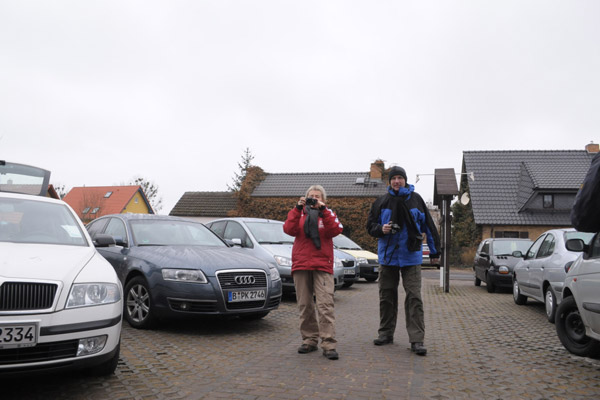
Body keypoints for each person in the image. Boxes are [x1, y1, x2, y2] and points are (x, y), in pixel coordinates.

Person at [366, 166, 440, 356]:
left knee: (414, 297)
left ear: (405, 180)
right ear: (389, 181)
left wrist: (434, 252)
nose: (397, 181)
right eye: (393, 178)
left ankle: (417, 340)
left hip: (411, 255)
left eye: (400, 178)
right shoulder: (381, 202)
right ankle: (385, 334)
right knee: (386, 296)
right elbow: (370, 226)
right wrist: (380, 229)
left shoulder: (416, 200)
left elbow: (429, 227)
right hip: (388, 256)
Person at [283, 184, 343, 360]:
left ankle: (328, 343)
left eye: (318, 196)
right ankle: (309, 340)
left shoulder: (328, 214)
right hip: (301, 264)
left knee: (325, 305)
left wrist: (324, 210)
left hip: (322, 265)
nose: (314, 198)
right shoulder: (299, 213)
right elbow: (288, 229)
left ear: (323, 199)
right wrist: (296, 208)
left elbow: (337, 230)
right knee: (304, 305)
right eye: (311, 196)